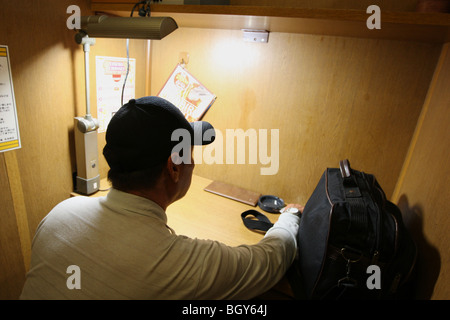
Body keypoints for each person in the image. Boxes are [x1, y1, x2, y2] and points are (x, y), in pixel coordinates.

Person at [20, 96, 303, 300]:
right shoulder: (178, 264)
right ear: (174, 167)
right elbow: (269, 262)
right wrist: (289, 217)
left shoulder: (59, 213)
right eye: (191, 150)